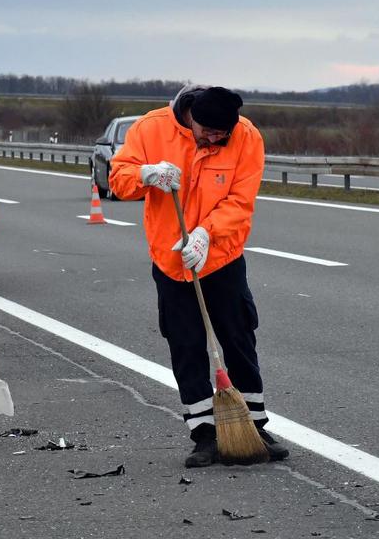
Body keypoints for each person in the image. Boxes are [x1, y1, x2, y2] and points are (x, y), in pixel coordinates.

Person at [110, 85, 289, 468]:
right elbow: (118, 181)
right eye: (208, 132)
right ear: (191, 116)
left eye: (222, 135)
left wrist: (207, 233)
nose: (215, 140)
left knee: (238, 339)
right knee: (186, 345)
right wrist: (147, 173)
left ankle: (254, 427)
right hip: (171, 262)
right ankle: (204, 435)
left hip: (221, 256)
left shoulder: (246, 137)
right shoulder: (150, 129)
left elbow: (241, 201)